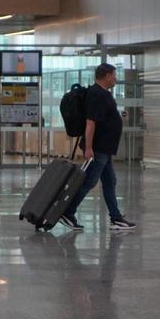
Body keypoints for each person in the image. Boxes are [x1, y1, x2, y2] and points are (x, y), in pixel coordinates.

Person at [58, 63, 137, 232]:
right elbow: (90, 122)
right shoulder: (97, 94)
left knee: (110, 181)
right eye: (114, 75)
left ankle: (116, 218)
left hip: (104, 148)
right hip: (98, 147)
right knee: (89, 181)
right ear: (107, 76)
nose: (116, 79)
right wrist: (88, 147)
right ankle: (68, 212)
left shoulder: (102, 94)